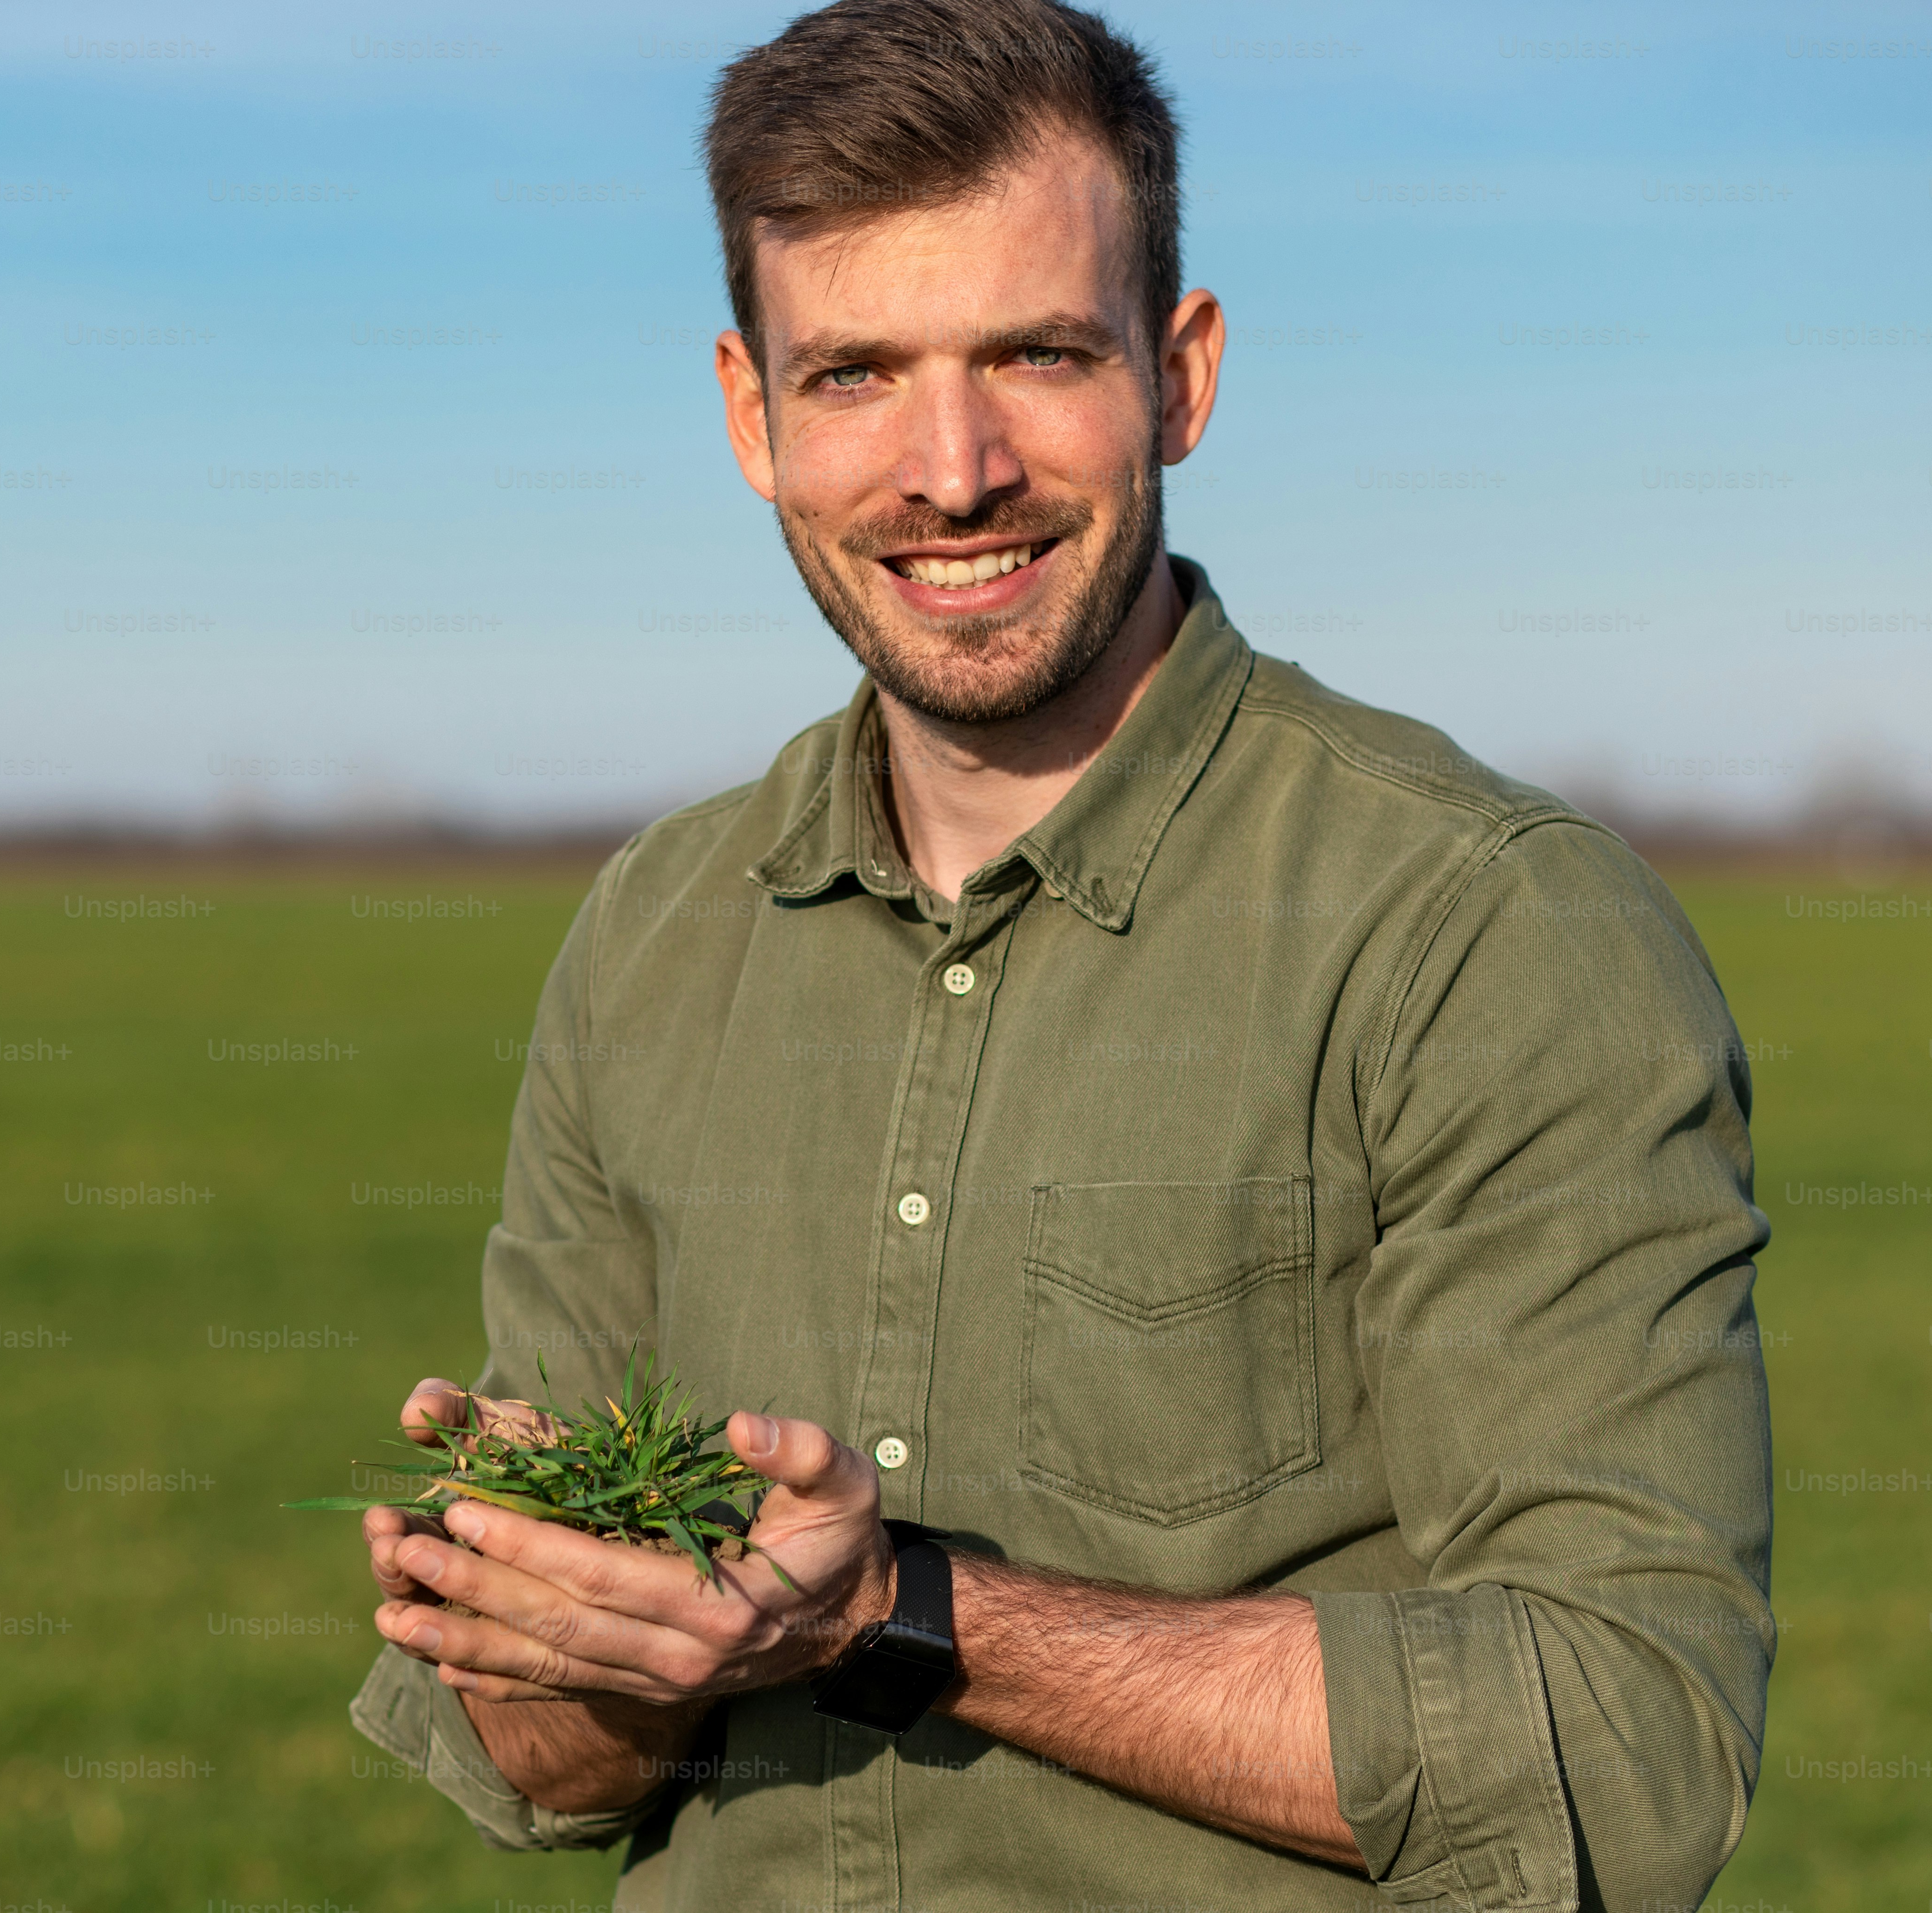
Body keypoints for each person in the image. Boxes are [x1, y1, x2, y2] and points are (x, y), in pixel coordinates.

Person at [345, 2, 1774, 1907]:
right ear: (747, 417)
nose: (949, 471)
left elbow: (1625, 1739)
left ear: (1177, 375)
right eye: (852, 374)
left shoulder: (1484, 929)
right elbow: (545, 1772)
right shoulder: (653, 934)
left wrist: (899, 1613)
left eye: (1032, 354)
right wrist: (554, 1616)